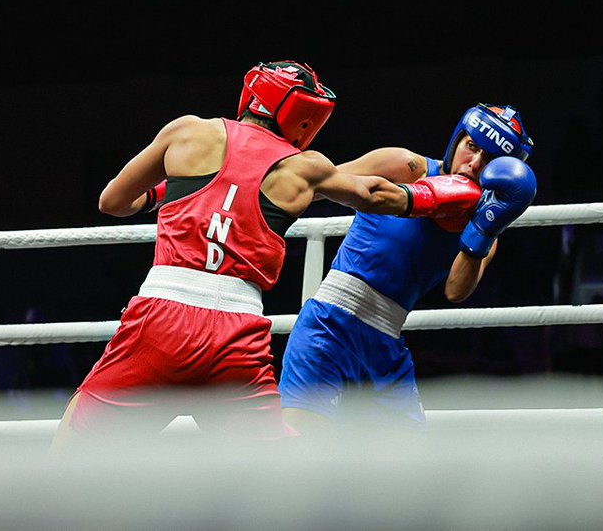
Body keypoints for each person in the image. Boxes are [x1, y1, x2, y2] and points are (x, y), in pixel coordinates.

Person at [48, 61, 477, 452]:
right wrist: (446, 193)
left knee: (74, 448)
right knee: (274, 477)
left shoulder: (187, 132)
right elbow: (374, 193)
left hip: (161, 319)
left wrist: (168, 191)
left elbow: (112, 202)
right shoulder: (303, 168)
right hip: (237, 338)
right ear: (303, 117)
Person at [278, 103, 538, 434]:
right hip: (329, 325)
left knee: (409, 459)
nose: (473, 164)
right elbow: (319, 183)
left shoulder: (484, 229)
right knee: (303, 447)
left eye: (489, 159)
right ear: (457, 140)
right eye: (471, 147)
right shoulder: (406, 166)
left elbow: (456, 291)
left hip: (386, 346)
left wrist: (482, 230)